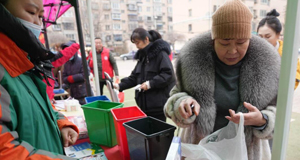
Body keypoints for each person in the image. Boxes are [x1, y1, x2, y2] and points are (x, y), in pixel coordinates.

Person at [164, 0, 280, 159]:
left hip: (247, 150)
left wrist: (263, 120)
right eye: (224, 42)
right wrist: (181, 103)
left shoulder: (268, 66)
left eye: (241, 42)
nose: (232, 50)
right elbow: (174, 96)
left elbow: (280, 110)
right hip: (200, 148)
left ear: (250, 40)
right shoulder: (192, 61)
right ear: (213, 39)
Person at [0, 0, 79, 159]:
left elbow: (40, 104)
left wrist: (60, 123)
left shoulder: (27, 63)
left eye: (41, 16)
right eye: (31, 12)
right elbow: (5, 150)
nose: (37, 23)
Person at [114, 28, 176, 122]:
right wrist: (119, 86)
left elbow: (168, 74)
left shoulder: (160, 54)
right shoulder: (142, 57)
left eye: (138, 42)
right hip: (144, 105)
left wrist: (150, 84)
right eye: (134, 43)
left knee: (158, 133)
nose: (136, 46)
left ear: (146, 39)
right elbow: (134, 77)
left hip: (157, 105)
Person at [257, 9, 300, 90]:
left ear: (278, 34)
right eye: (260, 36)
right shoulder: (254, 50)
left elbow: (295, 79)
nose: (263, 41)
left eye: (267, 36)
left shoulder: (288, 54)